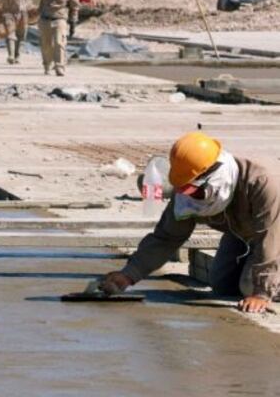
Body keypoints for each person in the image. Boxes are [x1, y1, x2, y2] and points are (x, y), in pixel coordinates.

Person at [100, 132, 280, 314]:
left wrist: (261, 293)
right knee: (222, 284)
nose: (186, 194)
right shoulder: (187, 192)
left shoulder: (261, 183)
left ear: (210, 178)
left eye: (190, 189)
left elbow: (270, 237)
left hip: (274, 231)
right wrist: (129, 275)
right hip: (243, 233)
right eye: (182, 188)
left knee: (250, 287)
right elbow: (167, 237)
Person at [34, 0, 80, 76]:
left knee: (60, 44)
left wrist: (73, 23)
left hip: (59, 20)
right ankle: (47, 65)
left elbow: (74, 8)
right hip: (44, 19)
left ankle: (60, 67)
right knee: (46, 45)